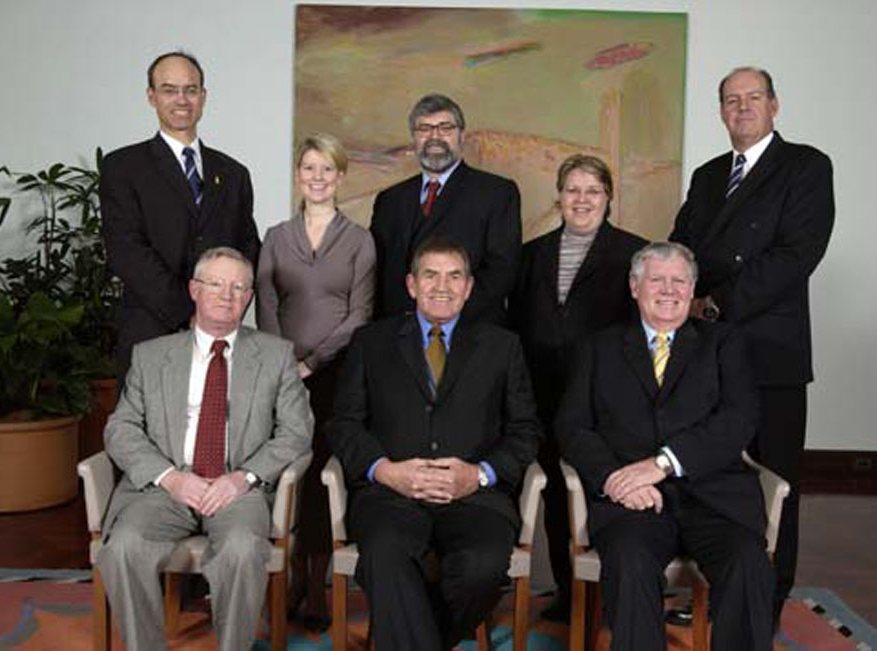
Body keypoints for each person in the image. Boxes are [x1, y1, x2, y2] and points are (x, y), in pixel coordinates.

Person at [670, 66, 834, 625]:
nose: (741, 108)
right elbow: (683, 247)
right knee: (710, 473)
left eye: (753, 98)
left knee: (775, 483)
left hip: (771, 356)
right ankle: (716, 589)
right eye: (731, 100)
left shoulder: (807, 167)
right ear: (720, 111)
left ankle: (765, 602)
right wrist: (670, 291)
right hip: (705, 356)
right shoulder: (709, 174)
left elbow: (794, 257)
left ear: (774, 105)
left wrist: (712, 304)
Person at [556, 241, 774, 650]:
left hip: (716, 501)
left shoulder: (724, 343)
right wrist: (615, 479)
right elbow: (572, 427)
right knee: (630, 563)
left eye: (679, 281)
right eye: (657, 280)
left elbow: (737, 422)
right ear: (635, 287)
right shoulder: (598, 348)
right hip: (630, 504)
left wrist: (663, 463)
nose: (669, 290)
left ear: (693, 290)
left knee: (748, 565)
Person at [331, 237, 542, 649]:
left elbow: (526, 431)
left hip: (475, 499)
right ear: (412, 284)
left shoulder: (503, 346)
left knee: (484, 566)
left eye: (454, 276)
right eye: (431, 275)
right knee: (384, 555)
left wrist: (478, 475)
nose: (442, 286)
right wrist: (385, 471)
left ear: (468, 287)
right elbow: (344, 425)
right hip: (390, 496)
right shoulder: (370, 342)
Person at [97, 247, 313, 651]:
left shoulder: (276, 355)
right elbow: (121, 428)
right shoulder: (151, 355)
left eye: (238, 286)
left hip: (237, 489)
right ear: (195, 290)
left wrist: (243, 478)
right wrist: (171, 478)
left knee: (242, 549)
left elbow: (297, 430)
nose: (226, 294)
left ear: (249, 297)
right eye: (215, 283)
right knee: (124, 547)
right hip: (165, 488)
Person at [509, 153, 646, 621]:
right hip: (543, 394)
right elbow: (516, 326)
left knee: (601, 491)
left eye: (593, 190)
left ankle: (609, 596)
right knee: (552, 493)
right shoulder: (531, 254)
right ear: (560, 197)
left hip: (605, 402)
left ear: (608, 198)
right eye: (573, 190)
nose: (582, 199)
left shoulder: (635, 254)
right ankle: (570, 595)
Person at [255, 132, 375, 630]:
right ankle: (287, 576)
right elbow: (265, 303)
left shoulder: (360, 240)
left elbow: (360, 313)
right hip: (281, 372)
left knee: (323, 479)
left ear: (341, 176)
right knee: (286, 472)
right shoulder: (276, 236)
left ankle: (317, 585)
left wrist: (314, 362)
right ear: (298, 174)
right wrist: (285, 363)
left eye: (328, 169)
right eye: (309, 168)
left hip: (337, 376)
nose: (318, 178)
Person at [101, 51, 260, 382]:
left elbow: (247, 249)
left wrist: (221, 311)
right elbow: (126, 251)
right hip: (150, 329)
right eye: (169, 89)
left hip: (219, 336)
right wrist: (191, 313)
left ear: (203, 97)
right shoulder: (123, 167)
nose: (181, 100)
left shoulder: (233, 173)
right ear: (151, 96)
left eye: (190, 89)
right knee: (145, 430)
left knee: (214, 429)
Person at [370, 93, 521, 325]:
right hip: (398, 337)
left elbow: (501, 271)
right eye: (425, 129)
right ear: (414, 138)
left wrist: (442, 315)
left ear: (462, 135)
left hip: (469, 335)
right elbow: (379, 275)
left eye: (445, 128)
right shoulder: (389, 200)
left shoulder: (497, 193)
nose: (435, 137)